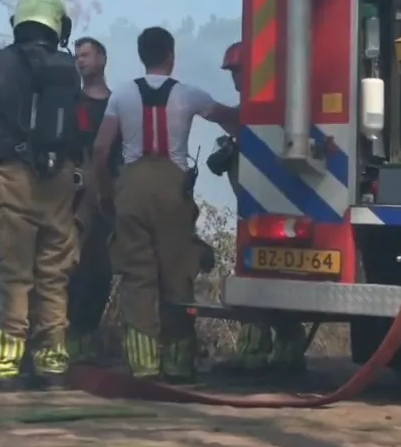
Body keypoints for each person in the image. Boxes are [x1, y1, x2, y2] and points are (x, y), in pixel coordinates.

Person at [91, 26, 238, 382]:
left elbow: (100, 149)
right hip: (173, 190)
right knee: (177, 275)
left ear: (142, 56)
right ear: (171, 56)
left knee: (136, 279)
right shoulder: (188, 95)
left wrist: (106, 193)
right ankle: (178, 363)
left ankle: (142, 366)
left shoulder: (121, 96)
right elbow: (228, 117)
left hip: (131, 188)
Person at [0, 0, 85, 391]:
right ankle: (51, 368)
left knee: (12, 277)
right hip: (59, 184)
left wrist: (5, 147)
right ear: (57, 26)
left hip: (12, 180)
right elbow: (79, 125)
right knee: (53, 277)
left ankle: (2, 370)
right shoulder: (70, 68)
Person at [205, 42, 310, 376]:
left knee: (257, 276)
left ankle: (254, 352)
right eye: (232, 72)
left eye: (238, 71)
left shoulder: (261, 114)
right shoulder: (266, 111)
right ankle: (288, 351)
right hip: (261, 209)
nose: (234, 78)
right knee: (277, 277)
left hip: (261, 211)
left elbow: (233, 122)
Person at [64, 36, 119, 365]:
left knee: (102, 270)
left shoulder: (117, 103)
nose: (79, 61)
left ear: (102, 58)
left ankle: (86, 337)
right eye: (77, 56)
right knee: (72, 267)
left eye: (85, 55)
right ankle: (66, 339)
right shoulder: (72, 102)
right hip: (76, 191)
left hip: (111, 191)